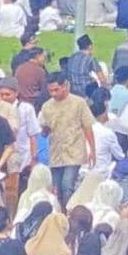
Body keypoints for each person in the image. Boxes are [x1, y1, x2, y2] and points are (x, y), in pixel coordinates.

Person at [40, 72, 96, 208]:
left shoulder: (79, 103)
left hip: (74, 150)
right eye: (50, 91)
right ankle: (58, 214)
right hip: (56, 152)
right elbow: (44, 130)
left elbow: (87, 127)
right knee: (56, 187)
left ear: (65, 86)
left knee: (67, 184)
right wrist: (44, 131)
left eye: (56, 90)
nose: (53, 94)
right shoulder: (47, 106)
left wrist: (92, 150)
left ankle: (69, 213)